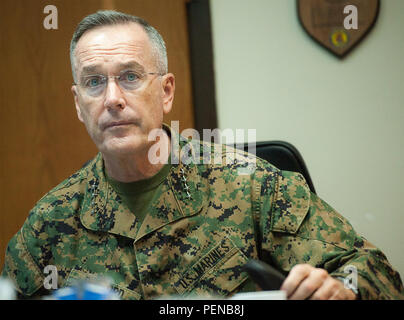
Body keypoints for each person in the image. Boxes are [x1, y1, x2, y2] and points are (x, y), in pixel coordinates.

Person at [1, 10, 403, 300]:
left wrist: (343, 289)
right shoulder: (51, 220)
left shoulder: (250, 185)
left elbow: (375, 272)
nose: (112, 99)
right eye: (93, 82)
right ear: (77, 104)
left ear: (166, 91)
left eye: (130, 76)